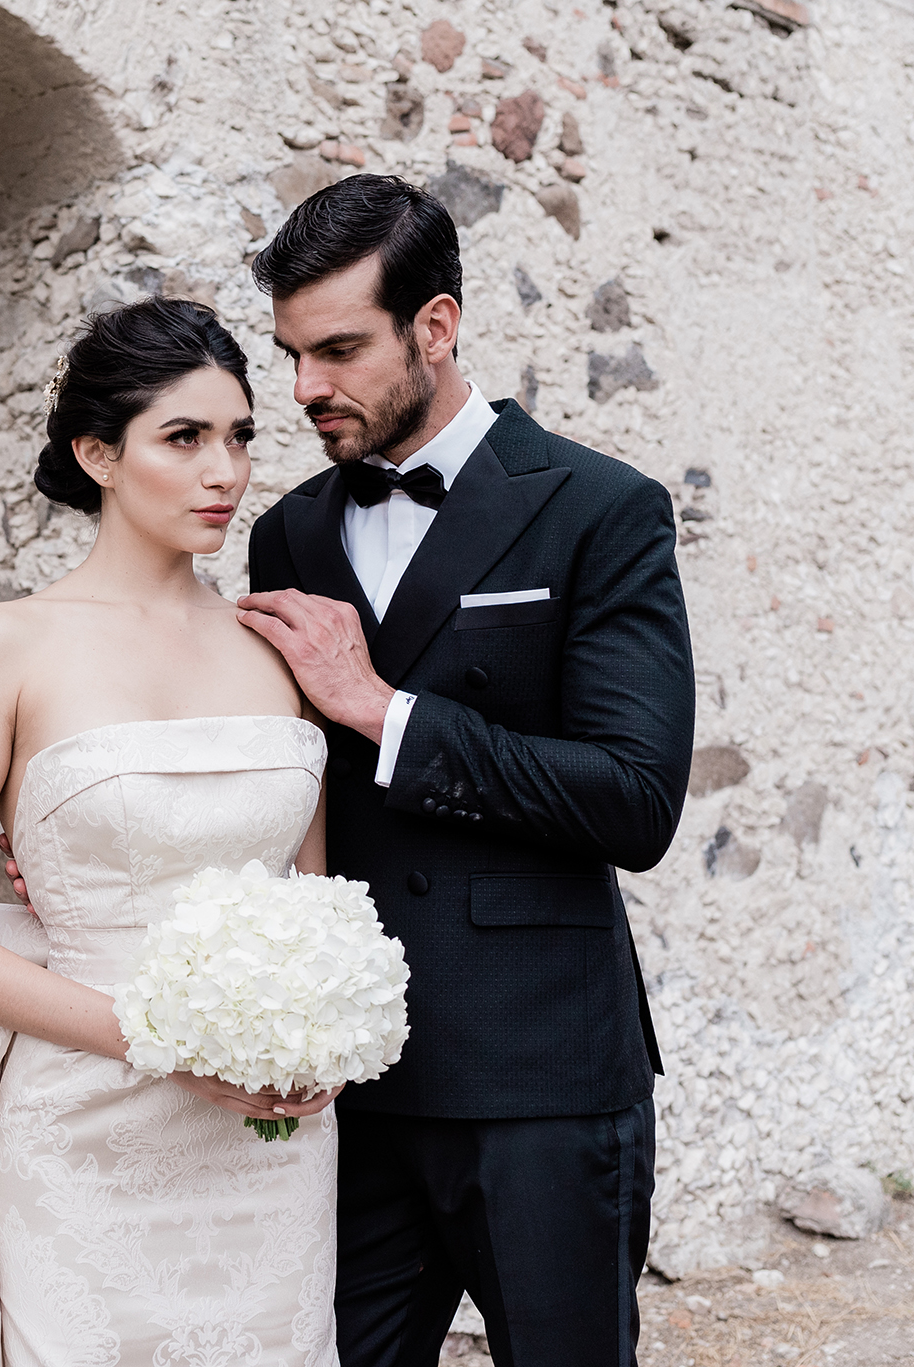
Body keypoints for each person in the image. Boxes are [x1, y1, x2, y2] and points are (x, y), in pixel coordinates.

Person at [236, 175, 696, 1366]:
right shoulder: (285, 531)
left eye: (336, 350)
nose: (303, 390)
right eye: (288, 354)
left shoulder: (599, 510)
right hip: (351, 1083)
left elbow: (634, 797)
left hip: (541, 1078)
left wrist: (384, 709)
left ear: (434, 327)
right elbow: (275, 769)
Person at [0, 297, 344, 1366]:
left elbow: (320, 903)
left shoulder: (274, 642)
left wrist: (325, 1040)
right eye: (184, 437)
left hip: (268, 1140)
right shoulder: (6, 643)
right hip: (83, 1122)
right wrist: (167, 1042)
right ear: (96, 454)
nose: (226, 472)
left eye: (241, 435)